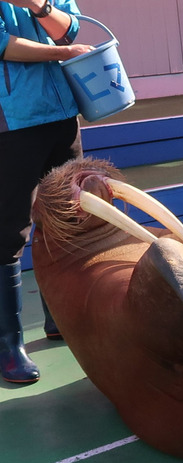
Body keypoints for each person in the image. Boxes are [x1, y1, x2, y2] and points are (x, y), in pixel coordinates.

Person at [0, 0, 93, 384]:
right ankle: (9, 344)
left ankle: (60, 318)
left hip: (62, 115)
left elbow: (69, 29)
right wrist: (63, 53)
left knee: (66, 219)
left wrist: (37, 5)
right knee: (9, 231)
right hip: (12, 122)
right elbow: (3, 44)